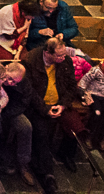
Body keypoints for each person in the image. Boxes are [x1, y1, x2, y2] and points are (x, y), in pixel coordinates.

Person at [26, 38, 84, 188]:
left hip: (60, 103)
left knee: (76, 126)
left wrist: (63, 105)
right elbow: (29, 92)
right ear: (47, 52)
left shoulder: (65, 62)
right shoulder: (31, 61)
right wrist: (45, 109)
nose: (62, 58)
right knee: (42, 133)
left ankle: (66, 154)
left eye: (63, 54)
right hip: (39, 106)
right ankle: (47, 173)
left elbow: (72, 86)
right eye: (58, 56)